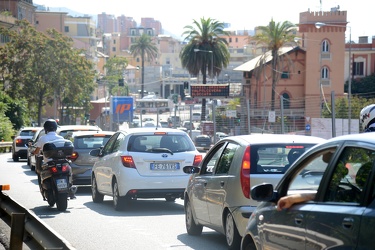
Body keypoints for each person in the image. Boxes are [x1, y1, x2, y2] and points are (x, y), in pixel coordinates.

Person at [33, 119, 76, 199]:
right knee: (69, 171)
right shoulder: (60, 138)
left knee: (40, 173)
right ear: (55, 128)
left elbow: (36, 151)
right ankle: (70, 188)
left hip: (49, 164)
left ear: (46, 128)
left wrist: (33, 152)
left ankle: (44, 189)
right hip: (61, 163)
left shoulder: (42, 138)